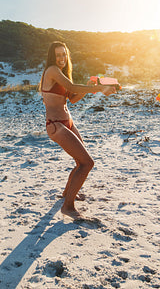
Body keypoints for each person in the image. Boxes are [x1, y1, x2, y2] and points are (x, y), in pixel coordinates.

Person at [40, 41, 116, 220]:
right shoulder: (51, 70)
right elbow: (73, 88)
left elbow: (73, 98)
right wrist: (98, 88)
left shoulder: (63, 73)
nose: (62, 58)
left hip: (68, 122)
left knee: (80, 161)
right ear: (53, 57)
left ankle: (67, 194)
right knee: (87, 163)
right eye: (58, 55)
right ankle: (68, 207)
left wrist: (90, 86)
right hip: (56, 125)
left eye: (64, 54)